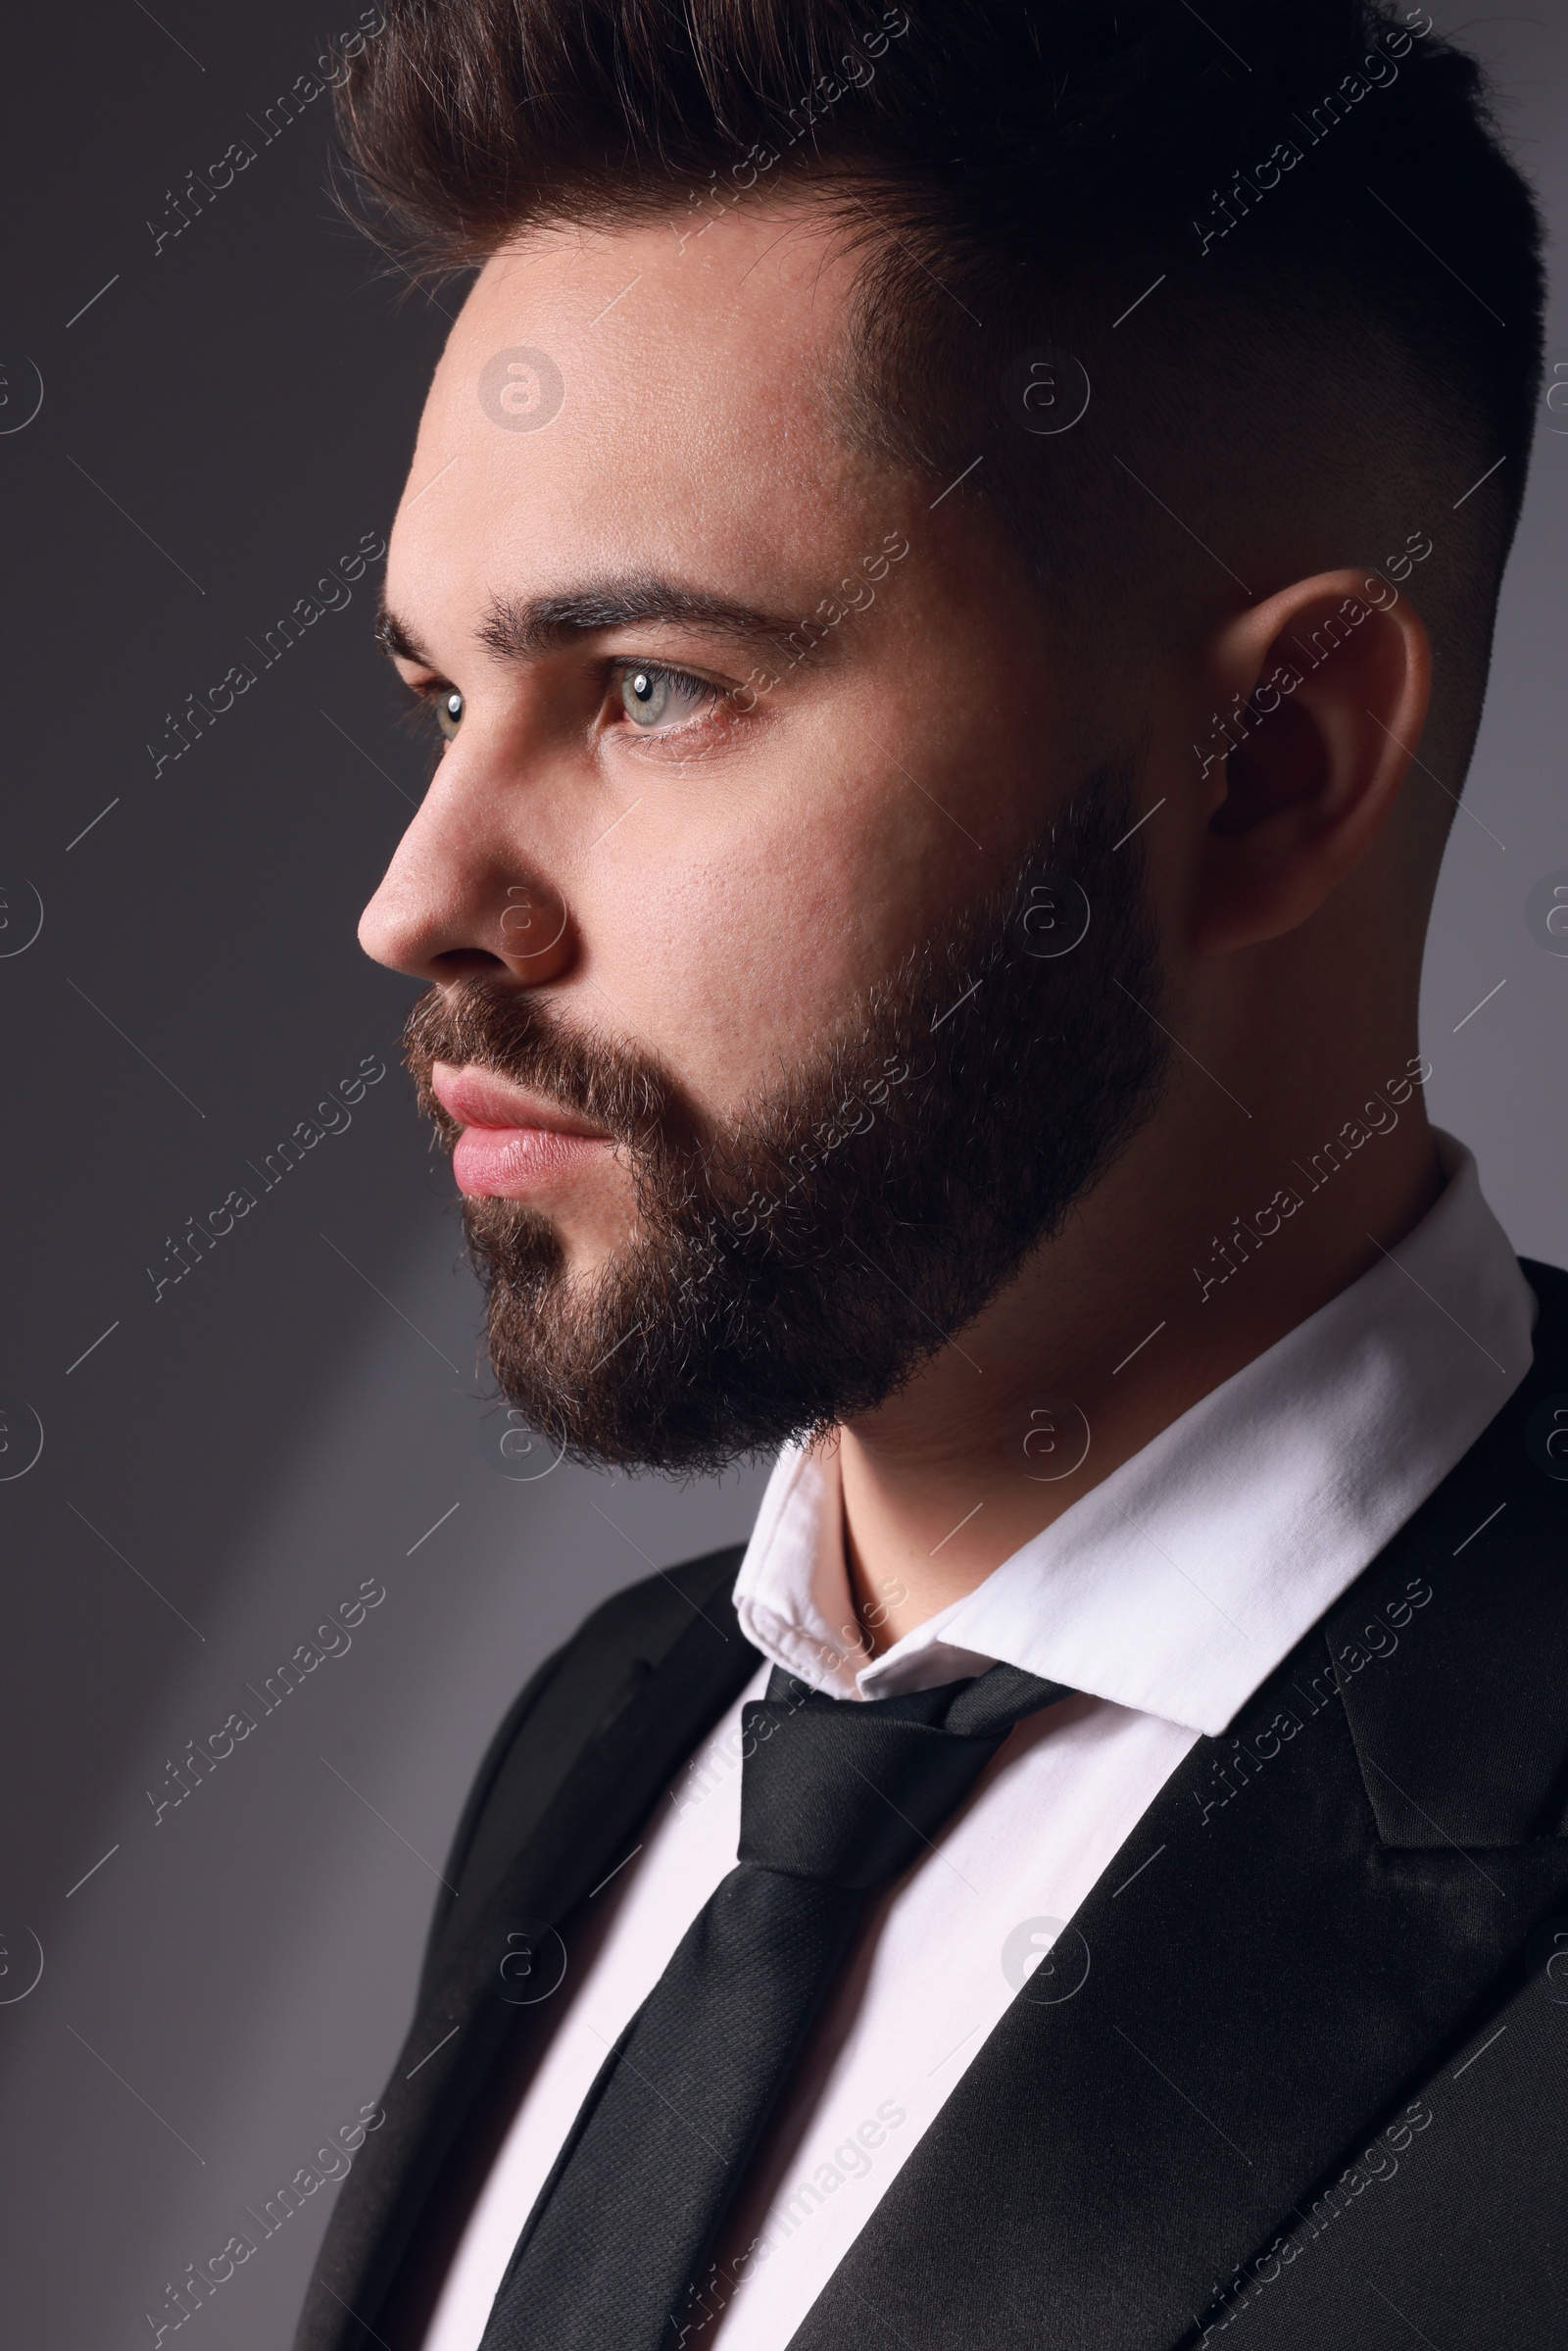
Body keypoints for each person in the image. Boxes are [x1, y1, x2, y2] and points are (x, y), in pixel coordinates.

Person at [298, 3, 1568, 2345]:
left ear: (1271, 766)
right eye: (438, 700)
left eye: (651, 687)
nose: (419, 897)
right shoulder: (610, 1735)